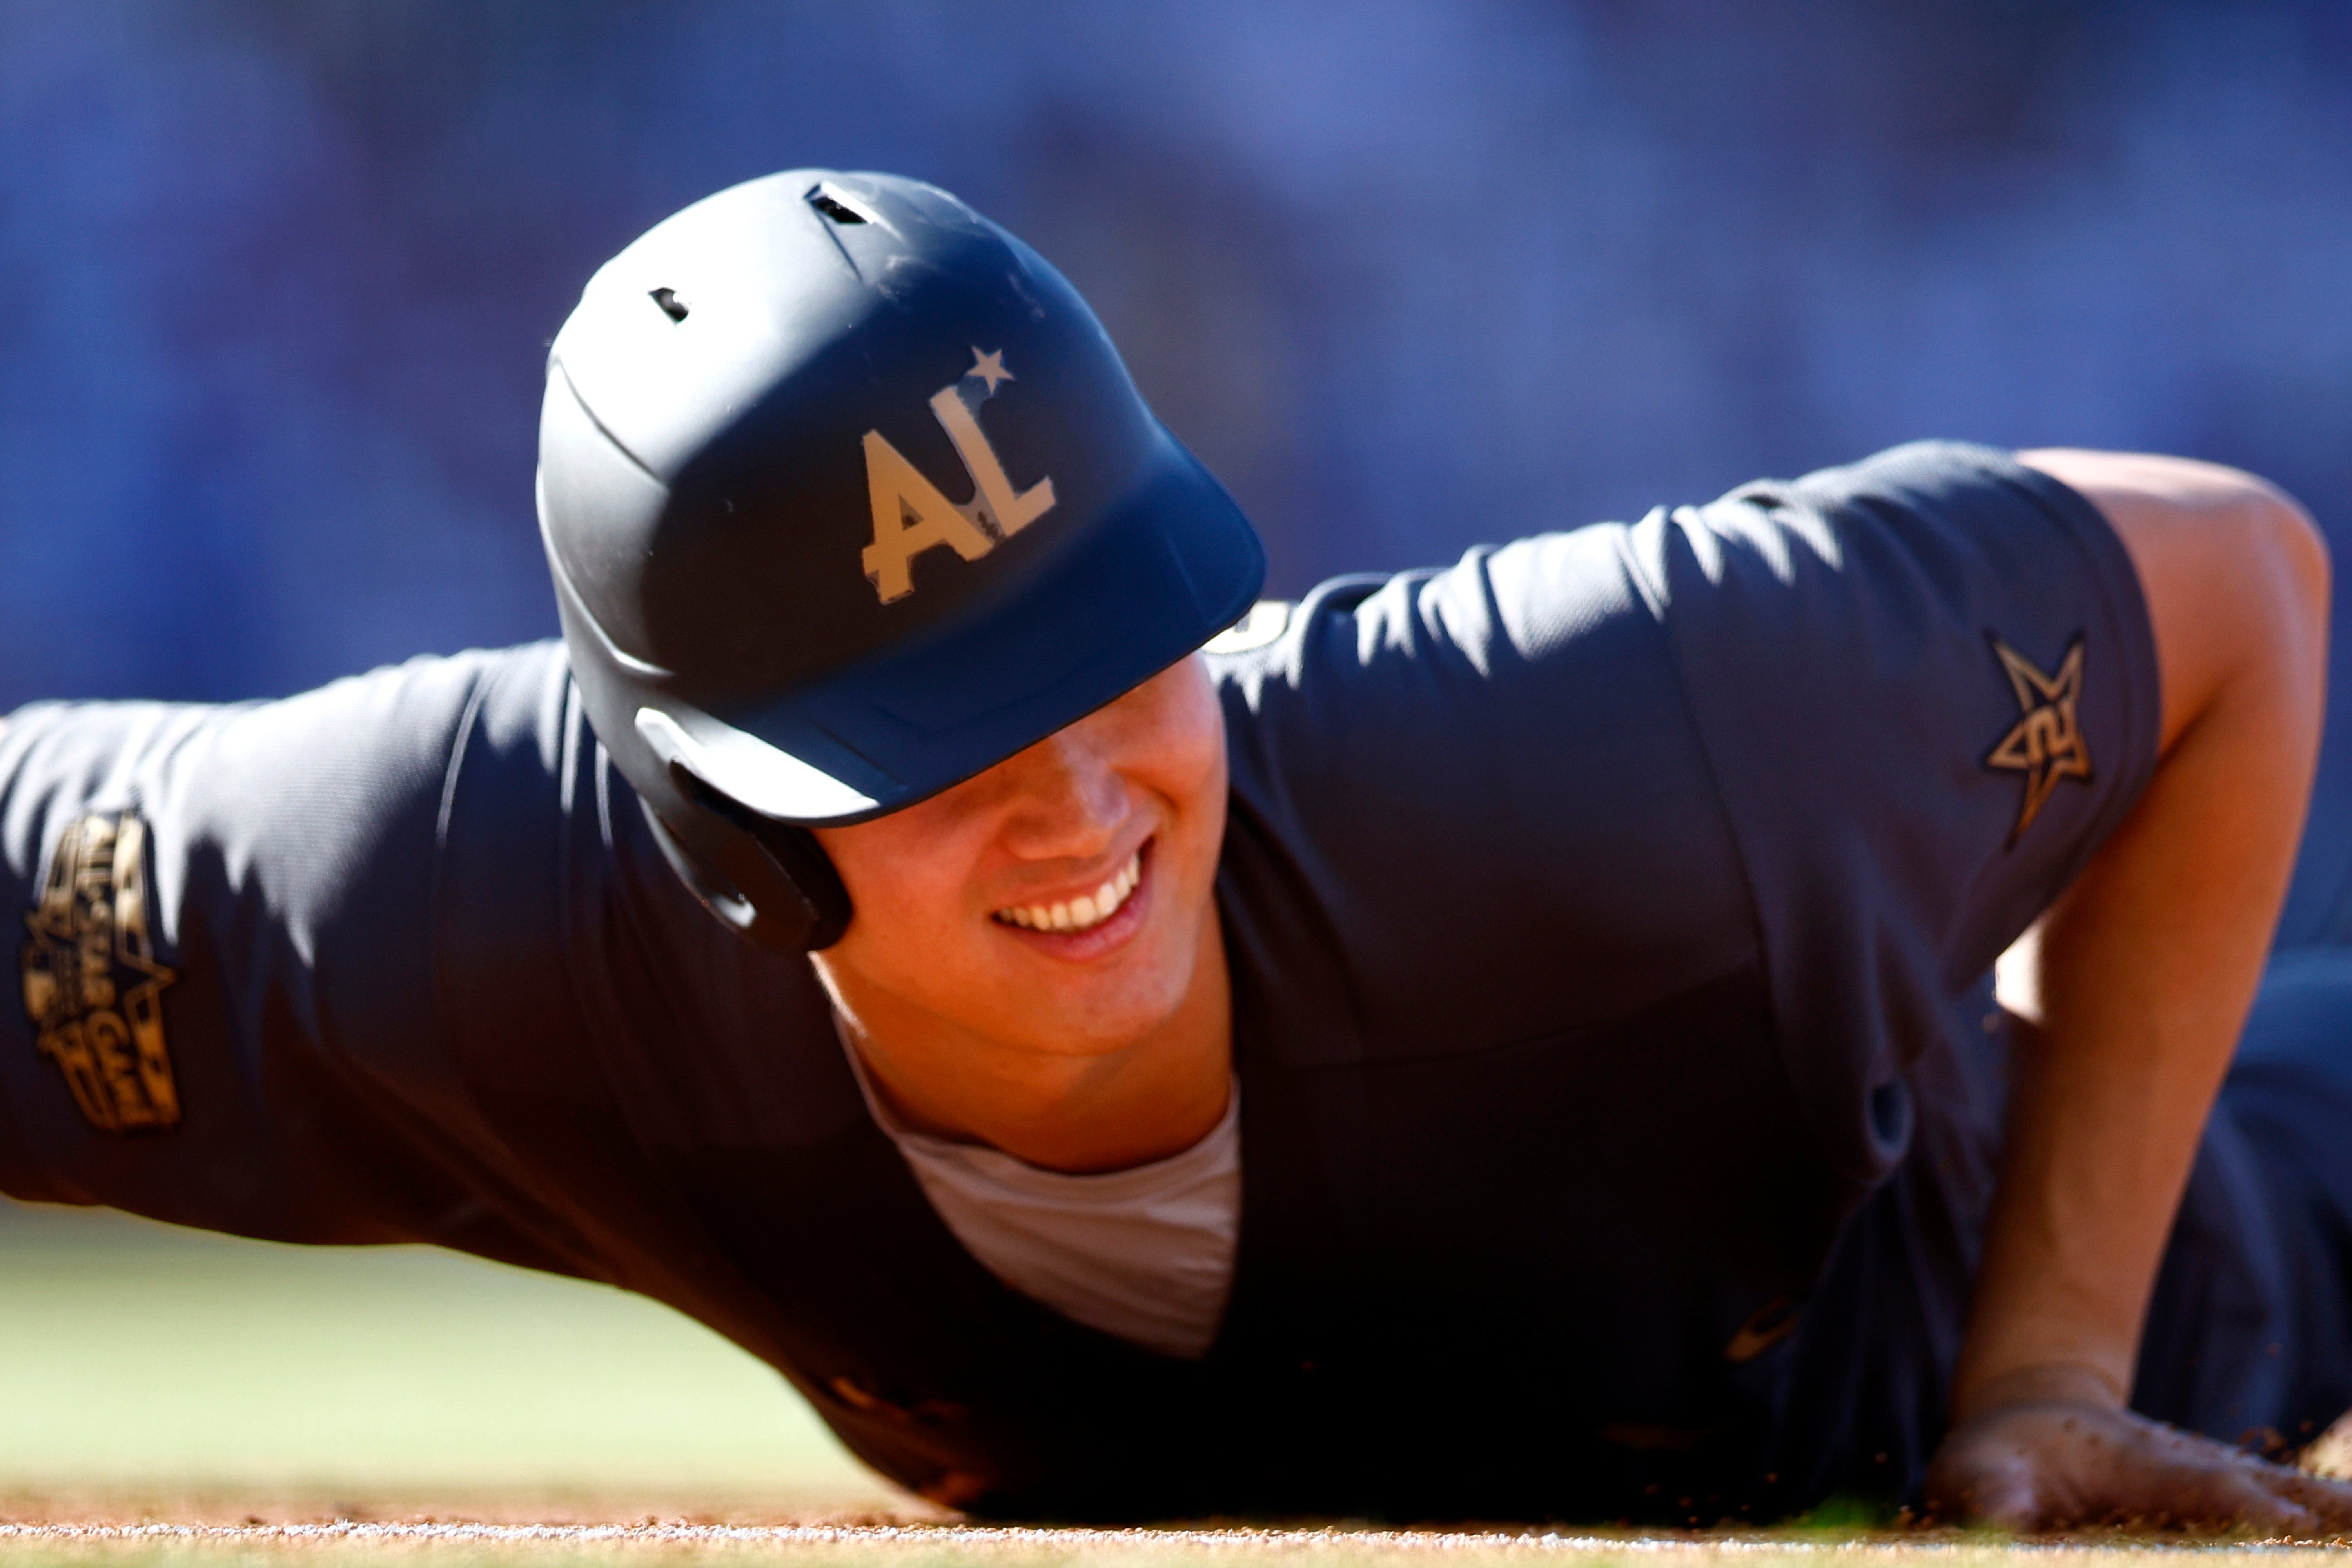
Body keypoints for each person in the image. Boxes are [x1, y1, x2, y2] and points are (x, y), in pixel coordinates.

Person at [4, 167, 2350, 1531]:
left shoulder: (1634, 740)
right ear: (718, 826)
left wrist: (2048, 1368)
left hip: (2233, 1290)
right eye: (930, 740)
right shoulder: (450, 916)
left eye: (1114, 646)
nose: (1081, 797)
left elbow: (2239, 582)